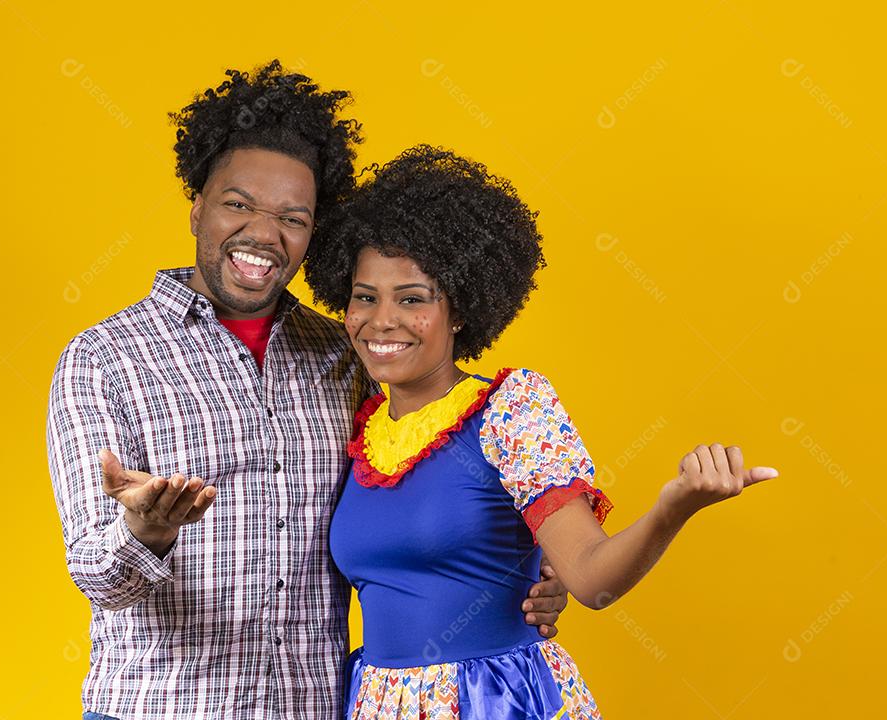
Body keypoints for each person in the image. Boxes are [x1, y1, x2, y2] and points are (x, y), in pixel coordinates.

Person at [47, 61, 566, 720]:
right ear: (198, 207)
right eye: (238, 204)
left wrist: (536, 578)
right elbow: (95, 573)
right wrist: (142, 531)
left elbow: (439, 492)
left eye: (293, 216)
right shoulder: (104, 360)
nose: (265, 234)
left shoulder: (349, 353)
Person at [303, 144, 780, 719]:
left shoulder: (510, 409)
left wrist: (674, 507)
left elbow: (591, 580)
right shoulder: (358, 423)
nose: (382, 321)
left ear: (460, 310)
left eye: (413, 299)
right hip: (380, 703)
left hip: (495, 701)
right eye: (365, 298)